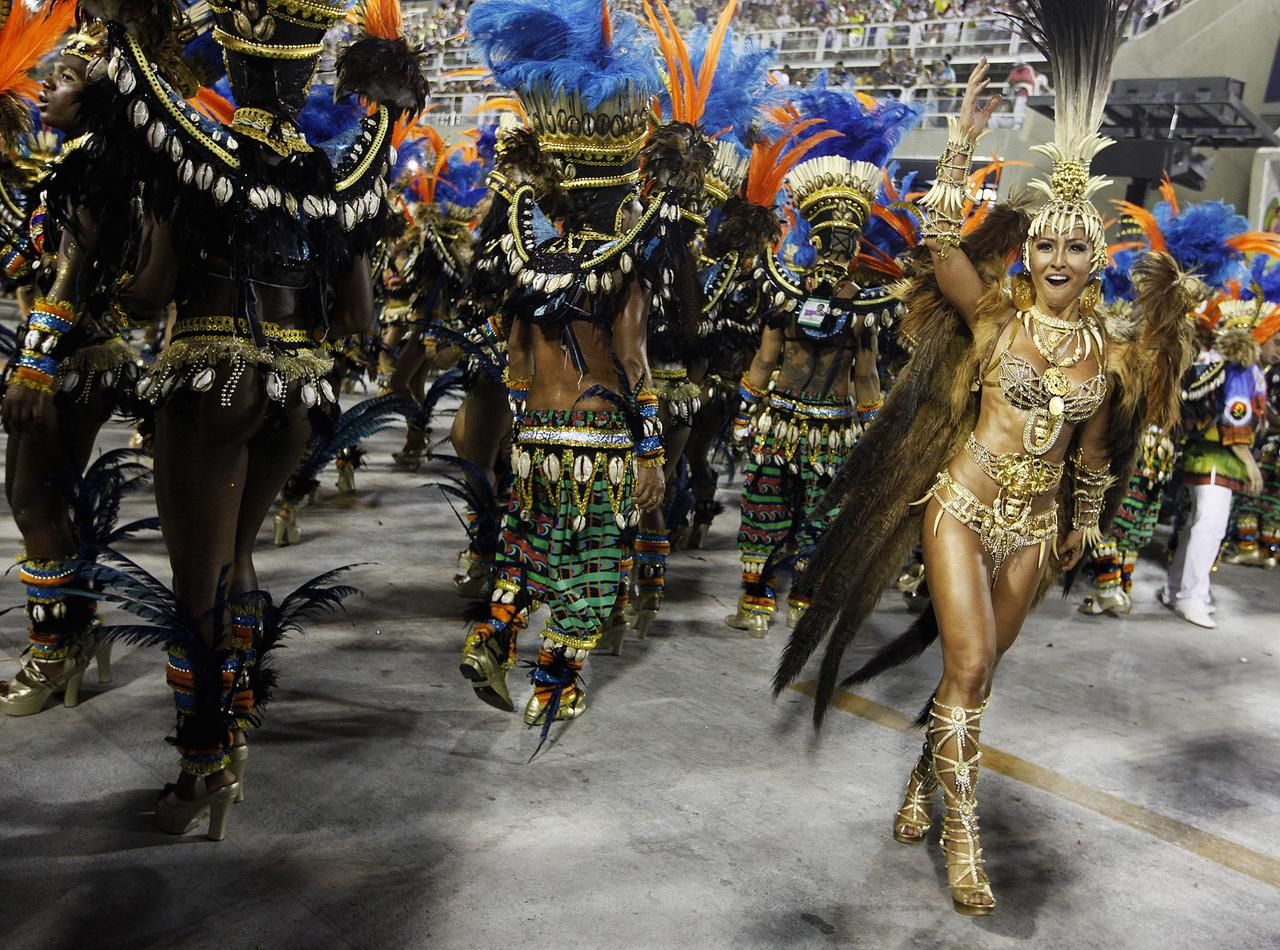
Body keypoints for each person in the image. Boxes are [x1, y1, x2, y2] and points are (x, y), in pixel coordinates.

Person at [774, 2, 1195, 913]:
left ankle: (924, 776)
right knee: (968, 664)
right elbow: (937, 245)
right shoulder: (994, 318)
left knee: (978, 672)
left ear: (1095, 257)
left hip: (1036, 529)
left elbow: (1093, 449)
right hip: (961, 508)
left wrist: (1084, 521)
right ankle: (962, 836)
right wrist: (961, 145)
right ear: (1028, 251)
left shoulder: (1111, 355)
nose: (1056, 256)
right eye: (1044, 242)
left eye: (1074, 245)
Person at [83, 0, 426, 838]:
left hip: (211, 379)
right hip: (297, 399)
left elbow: (152, 292)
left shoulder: (197, 156)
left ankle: (203, 762)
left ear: (235, 69)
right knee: (237, 561)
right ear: (308, 77)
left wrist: (103, 285)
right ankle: (233, 728)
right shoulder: (335, 179)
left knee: (194, 580)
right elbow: (361, 319)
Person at [459, 0, 673, 731]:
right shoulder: (625, 267)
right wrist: (651, 452)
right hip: (600, 439)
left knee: (525, 545)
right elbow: (634, 362)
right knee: (590, 560)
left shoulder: (533, 260)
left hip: (536, 435)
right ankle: (554, 687)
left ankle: (492, 638)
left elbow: (516, 359)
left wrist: (526, 425)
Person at [727, 80, 918, 637]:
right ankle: (798, 603)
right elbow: (865, 376)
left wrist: (744, 413)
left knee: (772, 510)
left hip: (783, 420)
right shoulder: (860, 306)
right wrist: (872, 431)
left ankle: (758, 604)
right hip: (827, 428)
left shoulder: (789, 291)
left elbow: (767, 360)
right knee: (812, 515)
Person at [0, 8, 148, 716]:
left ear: (95, 99)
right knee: (39, 497)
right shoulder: (81, 163)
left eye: (60, 81)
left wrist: (34, 368)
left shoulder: (94, 168)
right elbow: (25, 260)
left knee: (33, 500)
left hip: (72, 357)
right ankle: (75, 631)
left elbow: (71, 273)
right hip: (80, 351)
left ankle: (55, 651)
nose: (45, 92)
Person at [1164, 290, 1280, 626]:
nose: (1279, 350)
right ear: (1259, 337)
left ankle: (1179, 590)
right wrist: (1251, 464)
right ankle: (1190, 597)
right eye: (1276, 342)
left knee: (1198, 526)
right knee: (1209, 528)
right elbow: (1235, 421)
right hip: (1216, 458)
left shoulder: (1250, 370)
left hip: (1212, 458)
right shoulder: (1242, 370)